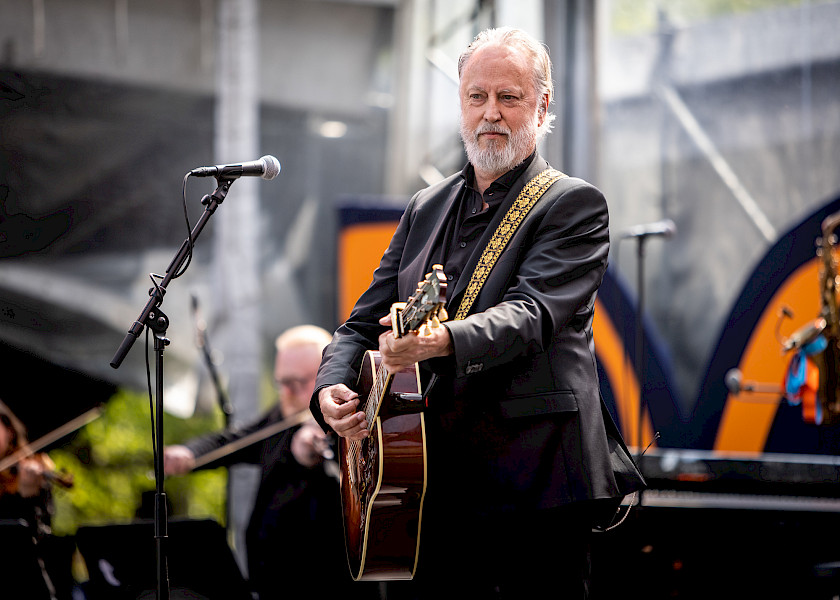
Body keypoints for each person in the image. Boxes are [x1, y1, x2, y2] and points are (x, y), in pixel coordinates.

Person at [311, 27, 646, 599]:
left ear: (541, 107)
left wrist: (436, 344)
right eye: (477, 97)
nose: (491, 113)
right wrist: (329, 388)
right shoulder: (426, 206)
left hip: (537, 485)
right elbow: (361, 322)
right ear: (461, 104)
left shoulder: (571, 203)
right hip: (431, 487)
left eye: (508, 98)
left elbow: (532, 314)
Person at [164, 325, 376, 600]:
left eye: (298, 383)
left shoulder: (349, 423)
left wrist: (311, 455)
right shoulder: (279, 417)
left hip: (323, 584)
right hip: (269, 583)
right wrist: (190, 453)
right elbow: (233, 441)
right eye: (281, 382)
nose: (286, 392)